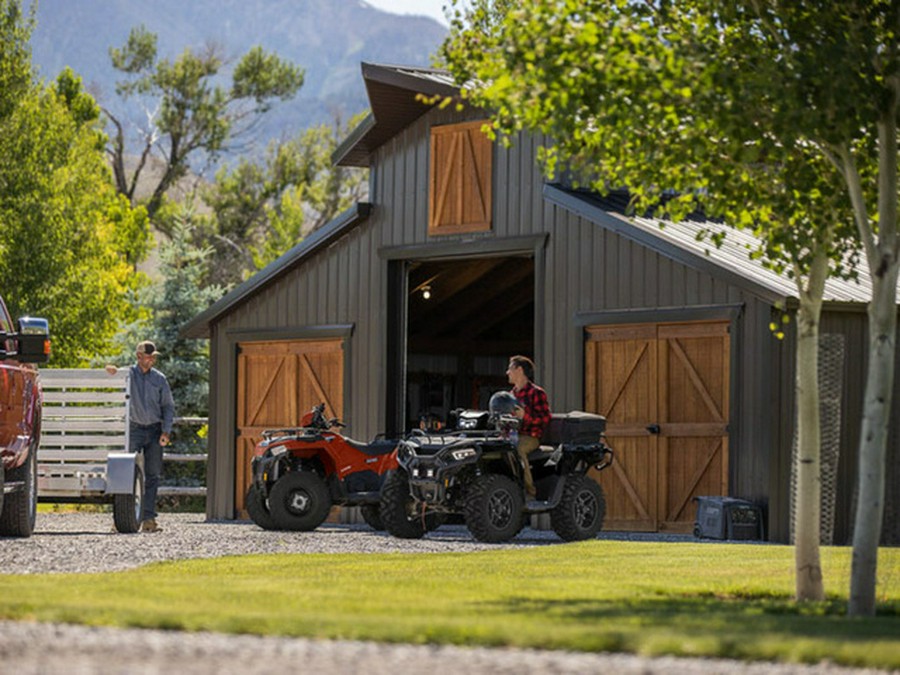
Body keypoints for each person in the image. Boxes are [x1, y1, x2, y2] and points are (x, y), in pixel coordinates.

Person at [106, 341, 175, 533]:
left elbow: (168, 406)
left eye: (154, 357)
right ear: (138, 356)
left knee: (152, 475)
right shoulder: (128, 374)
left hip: (154, 431)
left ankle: (148, 519)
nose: (152, 359)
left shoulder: (159, 379)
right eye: (148, 356)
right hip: (134, 430)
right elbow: (114, 373)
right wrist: (112, 371)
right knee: (126, 473)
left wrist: (166, 431)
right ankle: (121, 520)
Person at [506, 355, 551, 500]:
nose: (507, 372)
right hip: (511, 435)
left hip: (530, 437)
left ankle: (529, 492)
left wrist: (525, 416)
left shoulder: (536, 393)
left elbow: (545, 418)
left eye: (510, 369)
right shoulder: (510, 395)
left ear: (519, 370)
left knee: (517, 450)